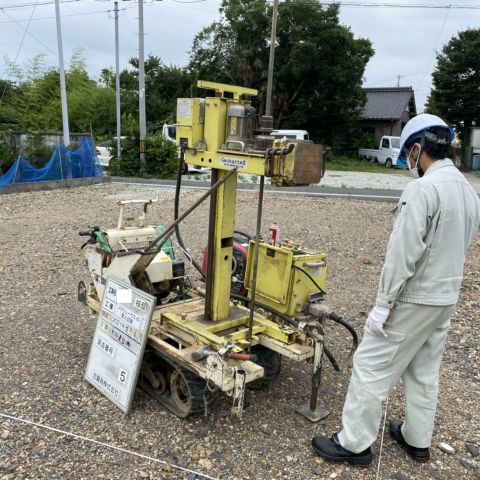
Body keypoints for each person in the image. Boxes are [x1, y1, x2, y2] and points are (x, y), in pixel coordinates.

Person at [312, 113, 480, 466]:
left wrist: (384, 303)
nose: (409, 164)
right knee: (423, 369)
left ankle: (354, 443)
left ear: (418, 149)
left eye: (408, 156)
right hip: (445, 297)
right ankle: (417, 439)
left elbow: (403, 253)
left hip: (414, 297)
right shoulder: (469, 191)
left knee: (371, 365)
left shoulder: (422, 190)